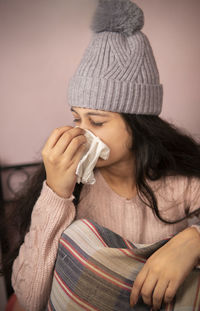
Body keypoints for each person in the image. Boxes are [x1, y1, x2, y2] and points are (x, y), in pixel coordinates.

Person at [2, 0, 200, 310]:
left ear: (140, 126)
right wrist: (55, 193)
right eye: (77, 119)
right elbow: (29, 299)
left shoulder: (181, 182)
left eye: (97, 121)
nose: (82, 133)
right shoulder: (73, 188)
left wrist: (191, 241)